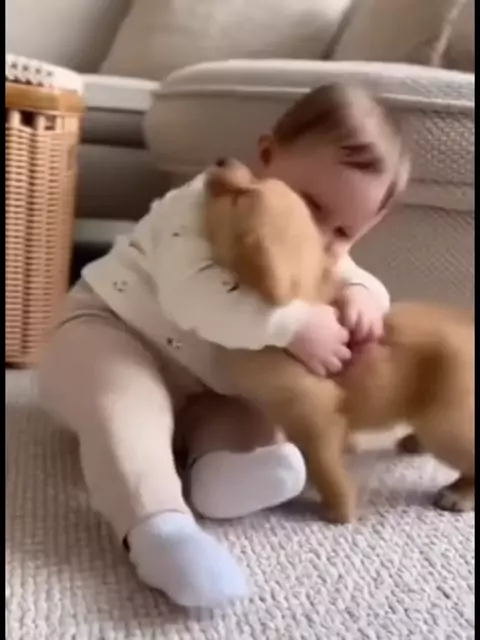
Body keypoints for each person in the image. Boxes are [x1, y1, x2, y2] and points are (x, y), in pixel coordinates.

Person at [38, 83, 410, 608]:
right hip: (108, 329)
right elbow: (193, 297)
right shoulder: (200, 204)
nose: (321, 238)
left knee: (246, 411)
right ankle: (159, 528)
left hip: (200, 381)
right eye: (310, 206)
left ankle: (222, 470)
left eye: (345, 231)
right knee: (128, 405)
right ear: (268, 156)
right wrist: (292, 325)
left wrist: (362, 296)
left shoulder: (322, 245)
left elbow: (352, 275)